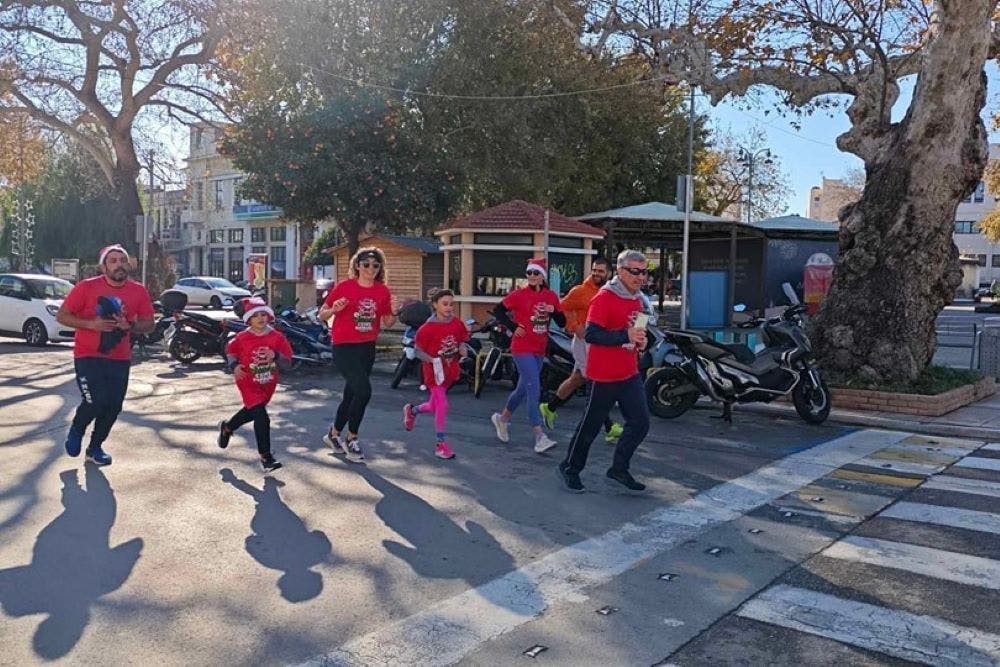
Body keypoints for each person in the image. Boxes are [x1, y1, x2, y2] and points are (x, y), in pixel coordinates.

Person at [558, 249, 652, 494]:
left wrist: (642, 342)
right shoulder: (603, 298)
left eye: (644, 272)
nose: (640, 277)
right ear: (620, 271)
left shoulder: (639, 299)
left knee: (640, 423)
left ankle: (618, 469)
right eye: (635, 272)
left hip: (629, 373)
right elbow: (592, 334)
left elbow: (639, 331)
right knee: (591, 427)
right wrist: (625, 335)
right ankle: (570, 468)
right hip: (603, 376)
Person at [57, 244, 155, 466]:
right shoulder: (86, 288)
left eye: (123, 260)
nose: (119, 264)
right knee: (95, 402)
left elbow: (149, 324)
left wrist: (128, 324)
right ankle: (77, 429)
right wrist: (91, 324)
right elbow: (62, 316)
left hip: (119, 358)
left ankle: (95, 448)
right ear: (104, 266)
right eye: (113, 260)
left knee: (113, 406)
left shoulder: (138, 291)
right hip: (87, 355)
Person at [318, 247, 399, 463]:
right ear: (357, 266)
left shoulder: (382, 291)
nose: (371, 269)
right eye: (366, 265)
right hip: (344, 346)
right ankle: (352, 438)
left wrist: (397, 310)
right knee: (364, 391)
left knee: (351, 394)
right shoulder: (345, 286)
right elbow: (322, 314)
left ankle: (333, 434)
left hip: (367, 347)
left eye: (375, 265)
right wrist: (334, 309)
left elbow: (388, 322)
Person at [538, 256, 624, 443]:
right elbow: (562, 308)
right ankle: (609, 428)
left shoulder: (611, 292)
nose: (596, 274)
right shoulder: (580, 291)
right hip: (584, 342)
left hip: (601, 342)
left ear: (609, 273)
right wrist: (574, 326)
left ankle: (550, 407)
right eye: (594, 270)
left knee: (578, 378)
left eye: (600, 271)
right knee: (595, 380)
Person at [490, 258, 566, 453]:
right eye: (529, 273)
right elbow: (498, 311)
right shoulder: (518, 295)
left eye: (536, 273)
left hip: (539, 349)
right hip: (522, 348)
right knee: (534, 389)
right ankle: (539, 436)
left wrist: (554, 311)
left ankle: (502, 419)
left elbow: (562, 322)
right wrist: (514, 328)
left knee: (523, 389)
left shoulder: (551, 296)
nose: (532, 276)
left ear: (542, 276)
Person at [218, 297, 293, 472]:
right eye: (256, 315)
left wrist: (274, 355)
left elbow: (288, 362)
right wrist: (234, 366)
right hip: (247, 380)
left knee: (251, 411)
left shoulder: (277, 337)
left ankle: (227, 427)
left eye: (264, 314)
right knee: (261, 417)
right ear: (248, 319)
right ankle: (266, 457)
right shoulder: (241, 337)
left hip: (268, 383)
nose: (261, 318)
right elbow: (230, 351)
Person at [402, 289, 472, 460]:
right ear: (435, 305)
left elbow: (462, 339)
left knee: (434, 406)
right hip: (434, 374)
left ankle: (412, 411)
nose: (449, 307)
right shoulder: (427, 329)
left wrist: (462, 348)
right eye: (445, 304)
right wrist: (433, 360)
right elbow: (418, 351)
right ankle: (440, 444)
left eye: (451, 304)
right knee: (443, 405)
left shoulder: (456, 323)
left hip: (450, 371)